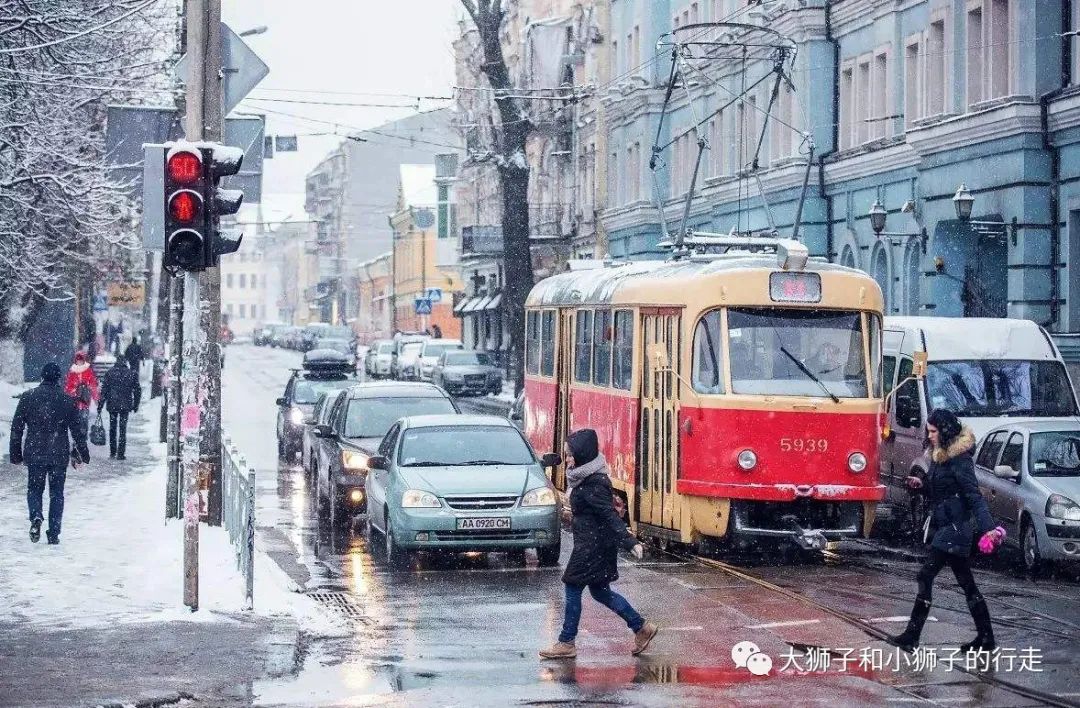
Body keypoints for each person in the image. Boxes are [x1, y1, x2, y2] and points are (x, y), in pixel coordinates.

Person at [887, 409, 1003, 654]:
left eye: (933, 431)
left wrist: (989, 529)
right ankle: (986, 638)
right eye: (928, 431)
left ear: (945, 431)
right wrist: (921, 485)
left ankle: (912, 635)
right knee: (966, 583)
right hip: (947, 527)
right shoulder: (940, 458)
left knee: (925, 576)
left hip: (954, 530)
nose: (929, 436)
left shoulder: (959, 460)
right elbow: (941, 490)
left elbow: (973, 496)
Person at [539, 429, 658, 660]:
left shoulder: (593, 482)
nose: (568, 460)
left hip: (592, 547)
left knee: (572, 587)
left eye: (571, 455)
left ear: (583, 455)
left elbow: (608, 515)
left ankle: (566, 641)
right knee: (601, 592)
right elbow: (594, 513)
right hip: (594, 544)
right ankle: (641, 627)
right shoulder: (585, 477)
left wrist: (629, 541)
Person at [9, 362, 90, 544]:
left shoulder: (28, 397)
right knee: (57, 493)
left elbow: (17, 427)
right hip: (58, 454)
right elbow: (77, 430)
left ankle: (36, 516)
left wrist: (15, 452)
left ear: (42, 377)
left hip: (35, 452)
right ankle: (53, 532)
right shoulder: (67, 401)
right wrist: (84, 452)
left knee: (35, 489)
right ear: (58, 378)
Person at [99, 358, 140, 460]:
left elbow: (104, 390)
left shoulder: (110, 373)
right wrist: (135, 405)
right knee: (123, 429)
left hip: (112, 404)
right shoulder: (131, 374)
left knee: (112, 428)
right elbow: (137, 390)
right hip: (125, 405)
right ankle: (121, 453)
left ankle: (113, 452)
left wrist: (100, 405)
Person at [63, 351, 99, 436]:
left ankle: (83, 437)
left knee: (84, 420)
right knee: (76, 420)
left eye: (81, 360)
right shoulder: (72, 371)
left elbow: (92, 385)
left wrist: (96, 398)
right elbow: (68, 385)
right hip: (74, 400)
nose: (79, 362)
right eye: (78, 360)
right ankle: (77, 439)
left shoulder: (88, 370)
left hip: (85, 400)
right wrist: (72, 391)